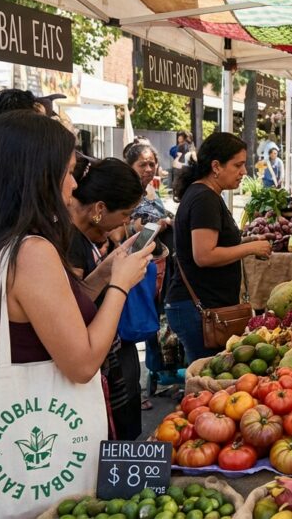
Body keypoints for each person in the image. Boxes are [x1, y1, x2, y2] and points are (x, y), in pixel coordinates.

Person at [0, 110, 152, 418]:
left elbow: (55, 319)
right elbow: (83, 363)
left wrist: (104, 274)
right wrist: (120, 284)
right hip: (50, 417)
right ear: (36, 177)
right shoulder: (31, 252)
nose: (74, 185)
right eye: (67, 172)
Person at [166, 133, 271, 362]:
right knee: (206, 379)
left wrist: (245, 243)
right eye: (238, 165)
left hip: (202, 306)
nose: (244, 172)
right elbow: (204, 255)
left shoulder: (205, 194)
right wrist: (249, 249)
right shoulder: (205, 199)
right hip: (199, 308)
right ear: (216, 166)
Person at [67, 157, 146, 440]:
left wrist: (106, 270)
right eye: (125, 213)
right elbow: (72, 313)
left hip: (104, 357)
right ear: (100, 208)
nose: (127, 221)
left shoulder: (83, 237)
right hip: (90, 364)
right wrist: (119, 283)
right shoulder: (67, 243)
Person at [123, 140, 173, 407]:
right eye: (142, 164)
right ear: (129, 164)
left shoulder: (152, 193)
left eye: (152, 163)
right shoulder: (123, 193)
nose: (148, 168)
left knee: (153, 322)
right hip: (131, 269)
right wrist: (157, 224)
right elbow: (129, 230)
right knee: (132, 324)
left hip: (155, 266)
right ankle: (136, 391)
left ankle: (151, 379)